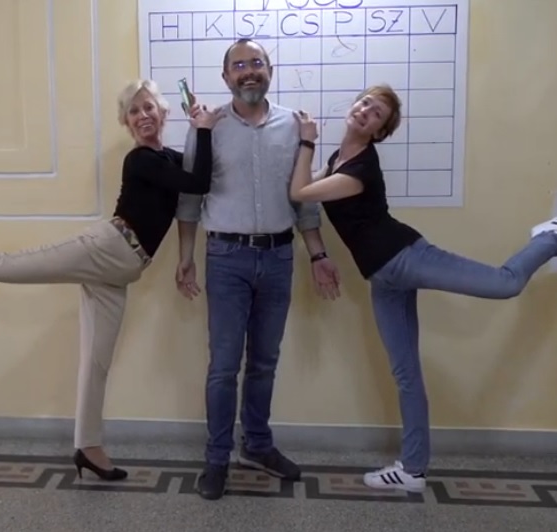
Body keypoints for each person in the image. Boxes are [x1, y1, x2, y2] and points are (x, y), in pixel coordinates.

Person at [0, 79, 223, 482]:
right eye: (134, 111)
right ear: (126, 123)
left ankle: (88, 447)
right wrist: (203, 130)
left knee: (96, 362)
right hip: (106, 248)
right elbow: (198, 183)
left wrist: (202, 127)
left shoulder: (168, 158)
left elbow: (201, 176)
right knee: (2, 267)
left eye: (148, 107)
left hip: (124, 270)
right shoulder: (140, 160)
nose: (142, 115)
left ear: (163, 112)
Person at [288, 83, 557, 493]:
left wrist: (305, 141)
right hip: (383, 277)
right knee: (406, 374)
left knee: (505, 283)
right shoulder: (339, 159)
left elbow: (299, 191)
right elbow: (305, 189)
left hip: (406, 257)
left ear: (380, 132)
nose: (365, 111)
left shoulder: (359, 170)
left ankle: (552, 236)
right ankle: (413, 471)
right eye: (365, 103)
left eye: (376, 114)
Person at [174, 38, 341, 500]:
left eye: (257, 63)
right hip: (226, 258)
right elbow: (189, 198)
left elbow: (303, 199)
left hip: (279, 257)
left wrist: (318, 254)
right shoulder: (207, 126)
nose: (249, 71)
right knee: (224, 366)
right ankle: (216, 458)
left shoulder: (293, 125)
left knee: (265, 362)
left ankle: (258, 445)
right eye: (239, 65)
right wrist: (185, 257)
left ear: (270, 69)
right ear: (225, 76)